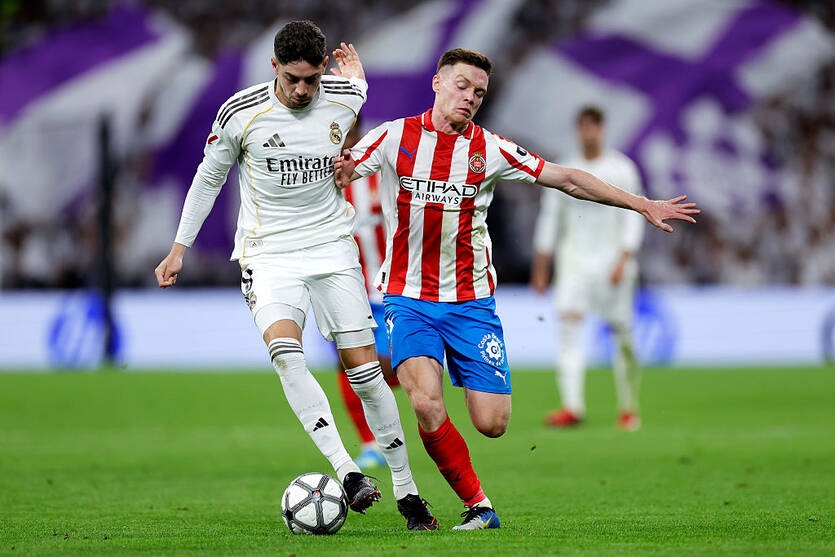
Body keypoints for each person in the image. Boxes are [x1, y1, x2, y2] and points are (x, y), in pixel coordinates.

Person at [334, 48, 699, 530]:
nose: (470, 97)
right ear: (437, 83)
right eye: (462, 85)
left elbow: (567, 179)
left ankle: (459, 427)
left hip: (471, 303)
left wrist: (640, 203)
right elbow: (342, 167)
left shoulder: (491, 149)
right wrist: (344, 104)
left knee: (492, 423)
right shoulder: (393, 136)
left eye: (479, 92)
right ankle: (479, 506)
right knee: (424, 401)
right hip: (408, 298)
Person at [154, 20, 438, 531]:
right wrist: (179, 249)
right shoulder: (241, 113)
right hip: (269, 254)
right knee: (286, 355)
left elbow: (357, 89)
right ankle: (348, 471)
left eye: (311, 79)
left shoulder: (346, 98)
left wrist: (356, 79)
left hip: (332, 248)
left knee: (366, 374)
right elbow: (208, 177)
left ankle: (407, 491)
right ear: (274, 67)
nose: (303, 90)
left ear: (323, 69)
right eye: (292, 79)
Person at [531, 106, 644, 431]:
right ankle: (572, 406)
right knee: (568, 332)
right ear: (577, 131)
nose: (588, 133)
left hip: (612, 263)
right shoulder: (565, 168)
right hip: (574, 265)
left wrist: (625, 258)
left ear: (602, 130)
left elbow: (633, 216)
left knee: (622, 334)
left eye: (593, 127)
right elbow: (550, 220)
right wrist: (542, 267)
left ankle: (628, 406)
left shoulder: (621, 168)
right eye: (583, 127)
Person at [336, 117, 400, 470]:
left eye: (346, 130)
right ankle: (370, 443)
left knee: (397, 365)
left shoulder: (383, 165)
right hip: (349, 287)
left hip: (391, 286)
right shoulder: (323, 174)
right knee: (346, 363)